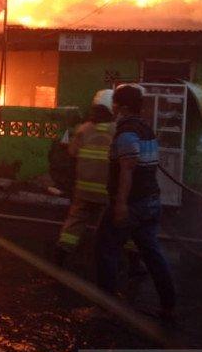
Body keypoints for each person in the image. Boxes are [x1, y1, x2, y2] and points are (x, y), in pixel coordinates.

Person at [94, 84, 176, 319]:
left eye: (117, 103)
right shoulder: (146, 129)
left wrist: (120, 205)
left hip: (132, 203)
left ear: (123, 106)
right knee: (152, 253)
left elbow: (127, 170)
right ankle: (169, 304)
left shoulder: (127, 132)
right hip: (151, 202)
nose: (114, 107)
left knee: (105, 249)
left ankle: (104, 308)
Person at [55, 89, 115, 264]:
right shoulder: (117, 130)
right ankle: (107, 259)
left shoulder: (84, 129)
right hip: (107, 192)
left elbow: (72, 152)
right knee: (110, 225)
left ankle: (62, 252)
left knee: (75, 222)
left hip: (83, 190)